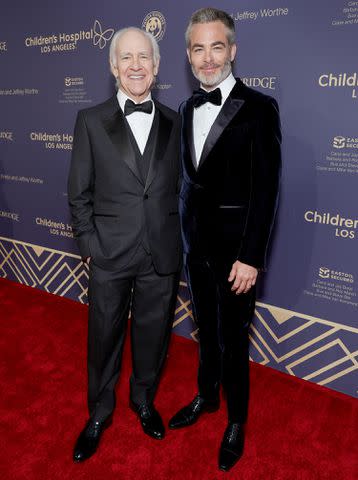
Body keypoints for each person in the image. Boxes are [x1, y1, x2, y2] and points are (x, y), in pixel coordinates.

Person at [169, 8, 281, 472]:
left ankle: (236, 421)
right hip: (197, 251)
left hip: (238, 256)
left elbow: (267, 189)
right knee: (206, 334)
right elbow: (187, 183)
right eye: (199, 48)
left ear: (232, 51)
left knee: (235, 340)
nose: (208, 57)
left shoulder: (259, 107)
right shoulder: (185, 108)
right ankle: (206, 398)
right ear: (189, 56)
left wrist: (252, 257)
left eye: (217, 47)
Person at [68, 27, 182, 463]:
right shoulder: (90, 120)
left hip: (161, 253)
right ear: (114, 67)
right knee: (104, 338)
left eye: (145, 57)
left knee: (153, 336)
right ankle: (98, 413)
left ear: (156, 67)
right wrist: (90, 247)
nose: (136, 65)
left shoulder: (176, 119)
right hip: (109, 253)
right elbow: (79, 193)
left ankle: (143, 400)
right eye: (127, 58)